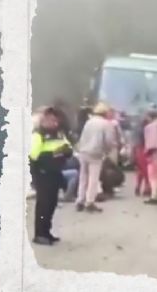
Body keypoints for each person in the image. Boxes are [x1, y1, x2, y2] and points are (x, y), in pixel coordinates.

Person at [29, 107, 73, 245]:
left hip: (55, 172)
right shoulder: (38, 135)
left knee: (52, 204)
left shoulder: (59, 134)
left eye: (55, 119)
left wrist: (64, 152)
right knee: (44, 204)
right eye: (50, 119)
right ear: (44, 120)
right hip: (43, 174)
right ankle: (39, 234)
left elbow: (68, 148)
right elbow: (34, 155)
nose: (54, 122)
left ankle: (47, 232)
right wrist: (54, 154)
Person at [74, 102, 117, 213]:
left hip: (83, 151)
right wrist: (107, 151)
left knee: (83, 177)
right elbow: (108, 141)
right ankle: (90, 202)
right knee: (93, 178)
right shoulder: (106, 124)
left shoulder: (89, 122)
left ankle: (80, 200)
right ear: (105, 113)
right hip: (96, 153)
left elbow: (82, 137)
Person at [143, 111, 157, 204]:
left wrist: (148, 155)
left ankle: (155, 195)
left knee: (154, 175)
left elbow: (152, 144)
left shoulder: (151, 126)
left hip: (155, 153)